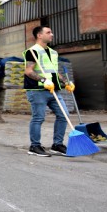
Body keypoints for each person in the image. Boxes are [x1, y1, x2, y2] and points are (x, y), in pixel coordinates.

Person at [23, 25, 75, 157]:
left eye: (51, 32)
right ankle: (34, 146)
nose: (52, 34)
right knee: (38, 117)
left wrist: (66, 82)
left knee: (64, 115)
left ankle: (57, 145)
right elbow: (28, 71)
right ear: (39, 35)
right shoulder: (32, 51)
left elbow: (54, 71)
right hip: (37, 90)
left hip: (53, 90)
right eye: (48, 32)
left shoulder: (53, 53)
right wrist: (42, 80)